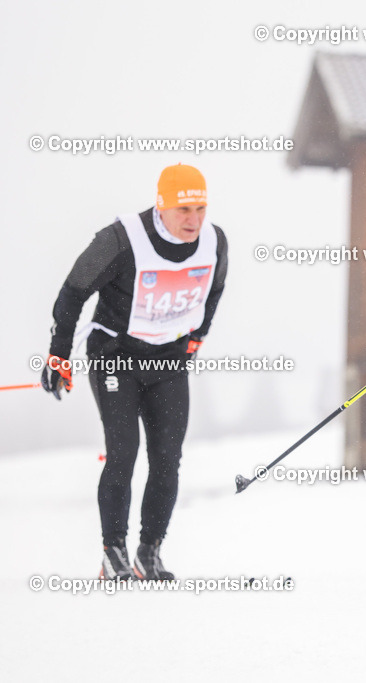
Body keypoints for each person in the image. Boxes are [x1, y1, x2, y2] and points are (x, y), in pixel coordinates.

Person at [42, 164, 229, 580]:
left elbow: (213, 291)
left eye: (200, 208)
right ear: (161, 205)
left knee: (167, 459)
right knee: (123, 453)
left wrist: (195, 339)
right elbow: (73, 292)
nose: (193, 220)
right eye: (183, 209)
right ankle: (114, 553)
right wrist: (59, 355)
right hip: (115, 357)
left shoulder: (214, 242)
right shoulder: (121, 240)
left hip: (167, 361)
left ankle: (150, 551)